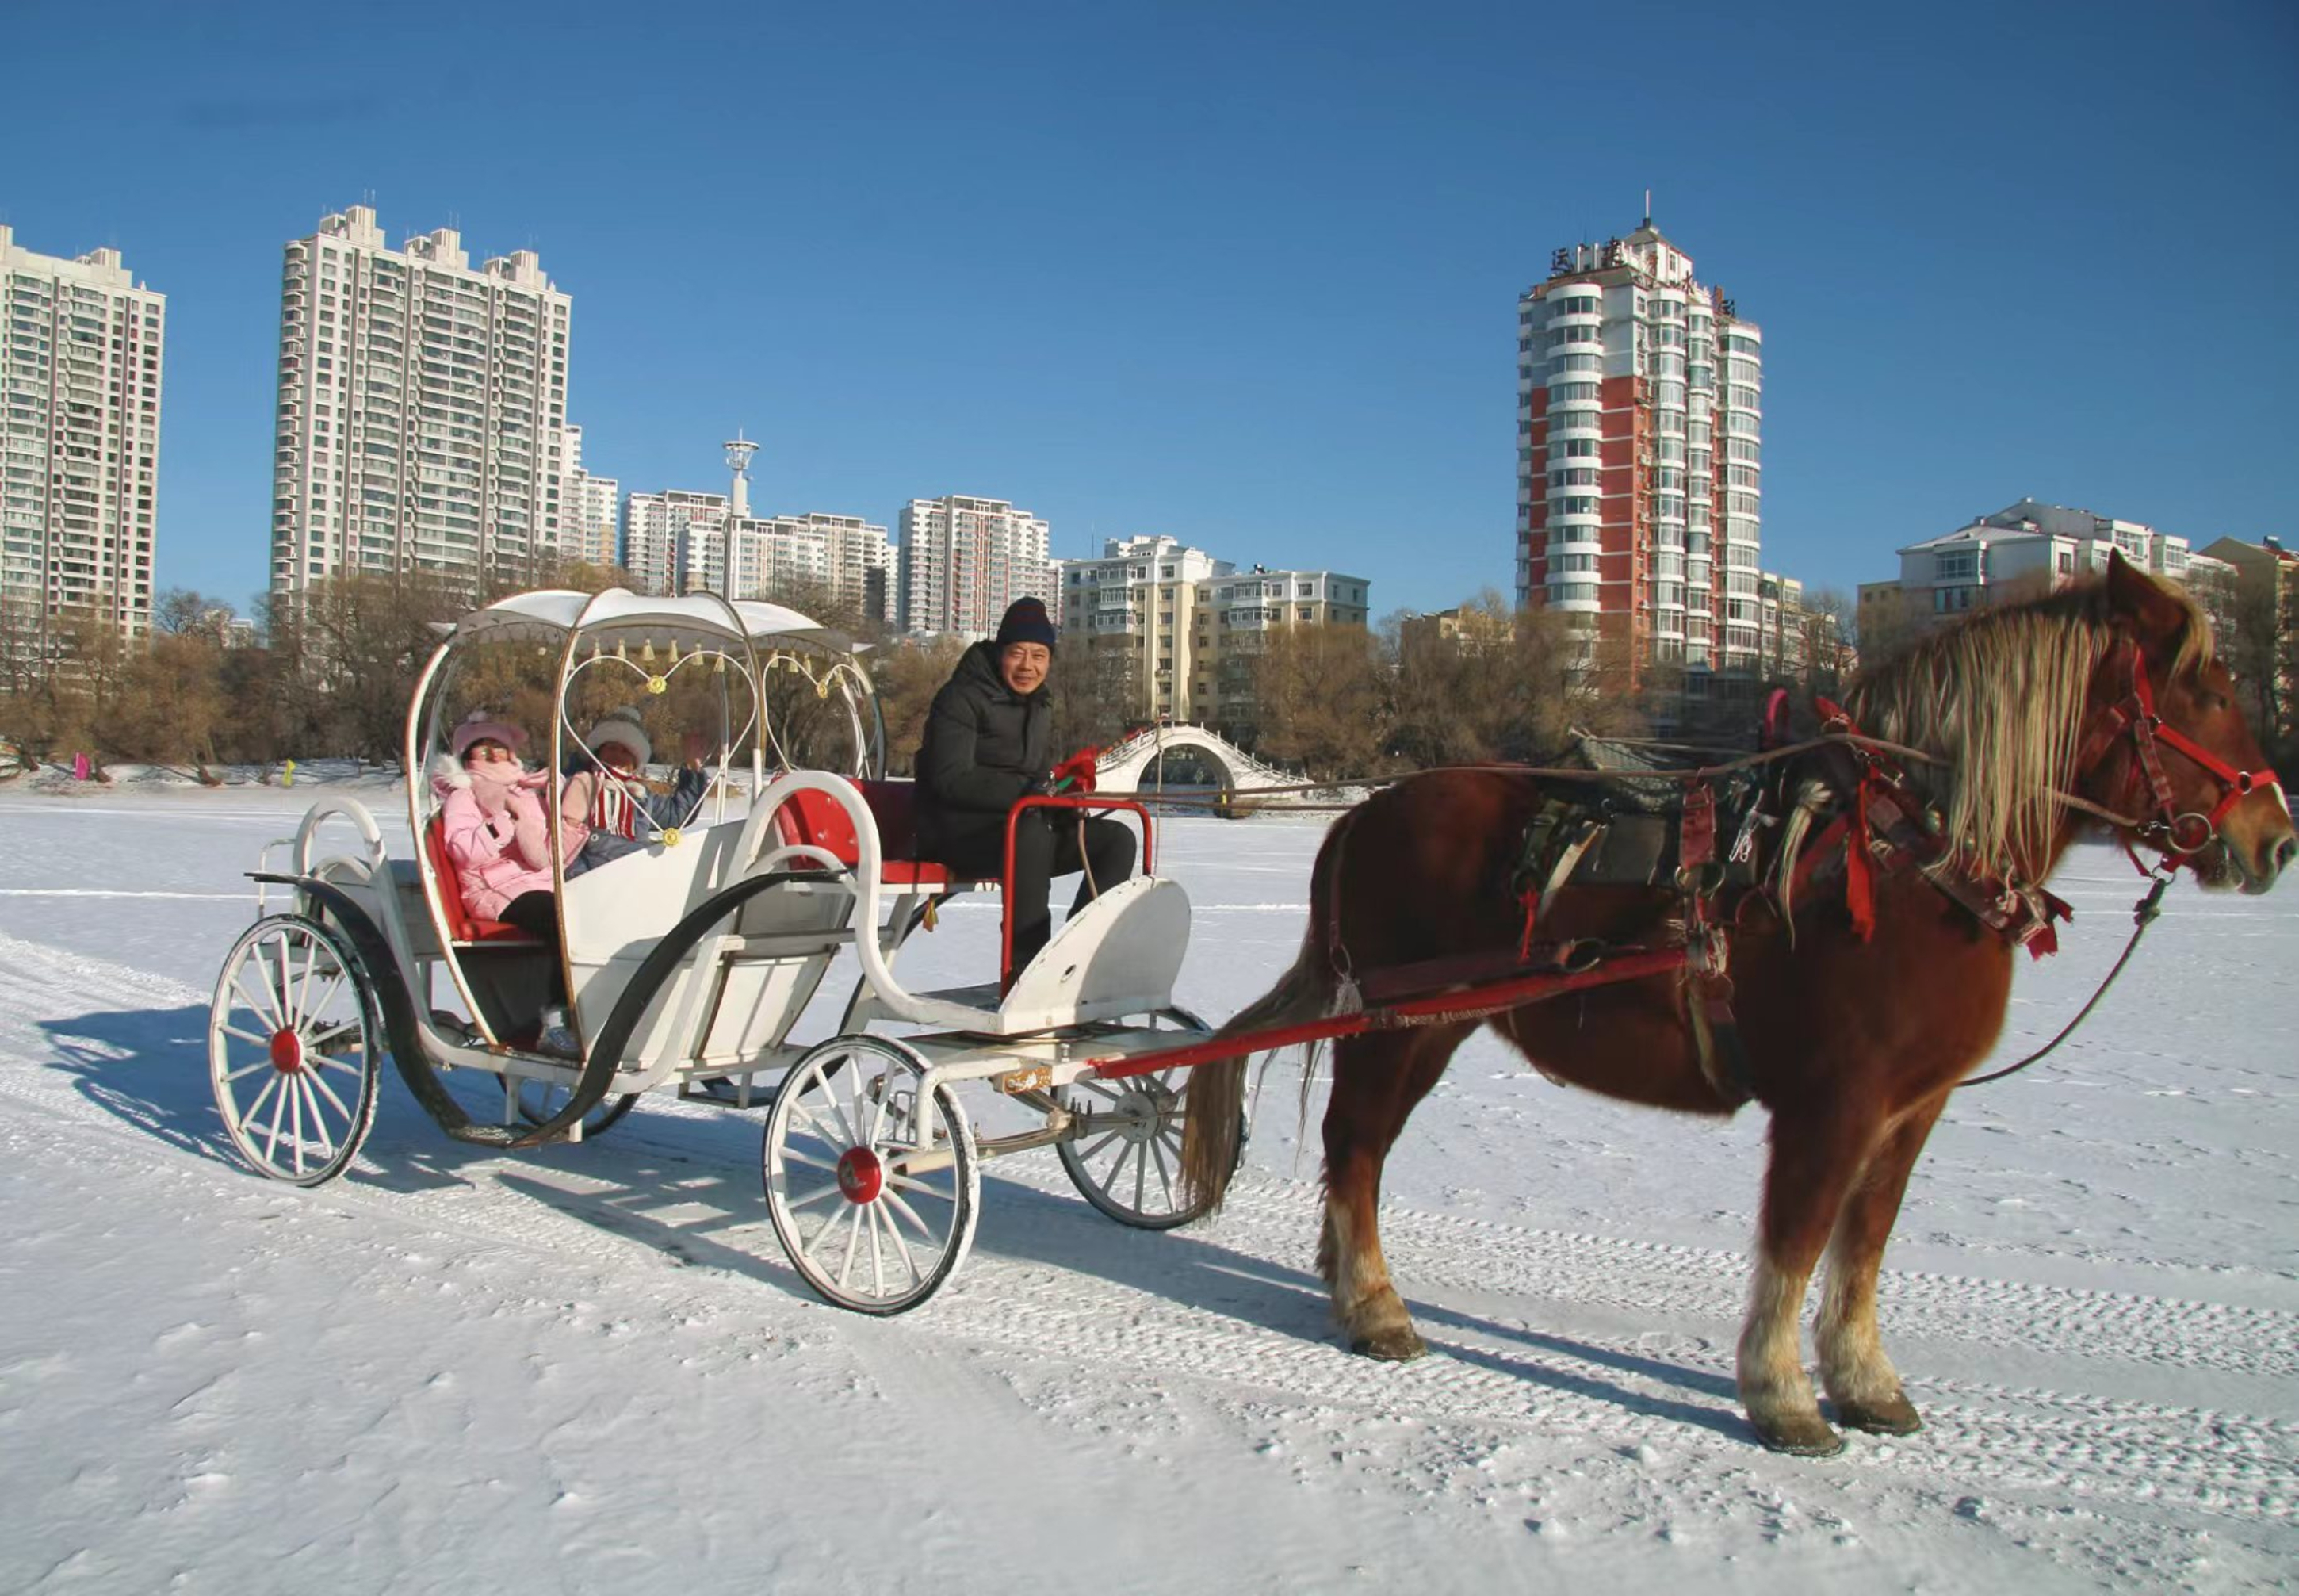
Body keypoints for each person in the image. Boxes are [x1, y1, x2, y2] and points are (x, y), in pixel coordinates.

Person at [914, 596, 1134, 974]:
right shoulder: (960, 698)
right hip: (955, 833)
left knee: (1117, 839)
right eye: (1018, 654)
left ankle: (1075, 960)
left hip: (1018, 826)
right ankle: (1026, 967)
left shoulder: (1041, 706)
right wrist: (1030, 794)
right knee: (1029, 830)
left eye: (1039, 656)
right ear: (1001, 652)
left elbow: (1036, 778)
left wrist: (1064, 799)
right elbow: (950, 779)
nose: (1028, 667)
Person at [432, 710, 577, 1056]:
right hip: (492, 890)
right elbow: (462, 850)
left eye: (498, 750)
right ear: (467, 758)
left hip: (537, 884)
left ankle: (593, 1005)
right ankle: (556, 1018)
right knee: (559, 919)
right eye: (482, 752)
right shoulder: (463, 796)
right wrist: (499, 824)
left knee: (590, 911)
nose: (492, 757)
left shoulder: (525, 796)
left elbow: (543, 856)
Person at [560, 710, 710, 877]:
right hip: (589, 878)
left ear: (634, 762)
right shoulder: (580, 785)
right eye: (612, 748)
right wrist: (578, 877)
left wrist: (692, 768)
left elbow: (678, 814)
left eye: (625, 752)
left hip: (635, 875)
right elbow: (565, 842)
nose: (617, 755)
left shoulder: (641, 797)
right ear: (598, 752)